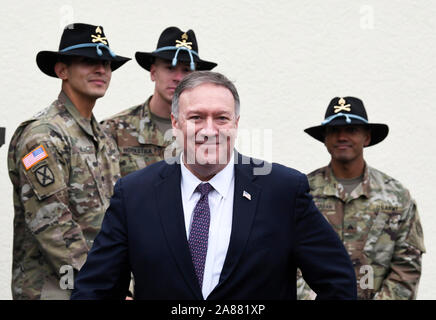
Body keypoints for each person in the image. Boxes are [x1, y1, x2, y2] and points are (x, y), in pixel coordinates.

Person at [71, 71, 356, 300]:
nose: (209, 130)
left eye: (221, 118)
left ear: (236, 123)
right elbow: (95, 289)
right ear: (175, 122)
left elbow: (337, 282)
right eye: (196, 117)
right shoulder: (134, 195)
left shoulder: (282, 191)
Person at [7, 23, 130, 299]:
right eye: (89, 61)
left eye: (106, 63)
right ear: (62, 71)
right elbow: (51, 224)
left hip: (97, 286)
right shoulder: (43, 136)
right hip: (54, 290)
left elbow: (113, 221)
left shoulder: (103, 138)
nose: (101, 70)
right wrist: (103, 285)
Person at [298, 96, 425, 299]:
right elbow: (283, 257)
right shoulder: (301, 192)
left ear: (367, 137)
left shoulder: (397, 197)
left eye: (352, 130)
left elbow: (407, 266)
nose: (342, 137)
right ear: (325, 138)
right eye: (334, 130)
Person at [102, 26, 217, 177]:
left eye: (186, 70)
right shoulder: (114, 129)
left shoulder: (208, 132)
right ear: (153, 73)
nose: (178, 78)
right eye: (170, 68)